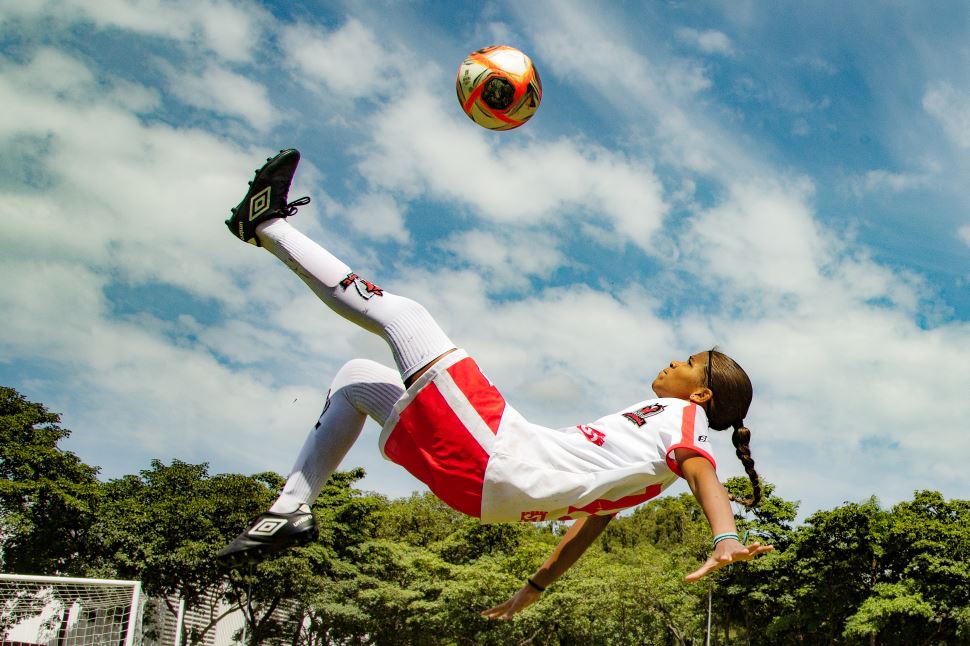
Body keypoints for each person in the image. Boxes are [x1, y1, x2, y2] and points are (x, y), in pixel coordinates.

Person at [216, 149, 773, 619]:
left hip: (497, 456)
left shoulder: (681, 418)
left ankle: (264, 224)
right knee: (359, 380)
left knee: (406, 318)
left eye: (688, 362)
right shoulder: (639, 465)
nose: (673, 361)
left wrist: (724, 535)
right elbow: (588, 528)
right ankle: (289, 510)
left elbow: (701, 469)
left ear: (701, 394)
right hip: (484, 493)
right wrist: (534, 588)